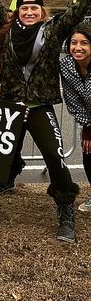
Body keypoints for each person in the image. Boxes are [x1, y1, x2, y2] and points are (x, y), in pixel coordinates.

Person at [0, 0, 90, 243]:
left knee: (55, 161)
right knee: (0, 152)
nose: (29, 11)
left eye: (34, 7)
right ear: (17, 10)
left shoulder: (54, 31)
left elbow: (79, 8)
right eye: (24, 7)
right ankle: (6, 181)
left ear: (42, 11)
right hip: (11, 105)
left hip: (40, 106)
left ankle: (65, 210)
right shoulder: (5, 30)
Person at [60, 23, 91, 212]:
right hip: (88, 118)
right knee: (88, 153)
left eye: (84, 43)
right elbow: (72, 100)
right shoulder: (67, 65)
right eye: (74, 43)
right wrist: (87, 128)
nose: (78, 47)